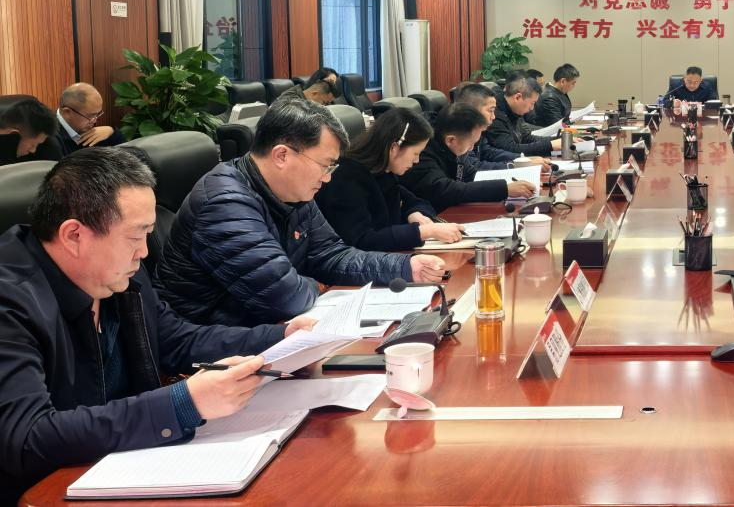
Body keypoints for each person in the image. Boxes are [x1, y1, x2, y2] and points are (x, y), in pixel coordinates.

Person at [0, 149, 320, 504]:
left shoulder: (114, 275)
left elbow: (175, 340)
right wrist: (184, 403)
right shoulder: (9, 301)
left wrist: (281, 339)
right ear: (74, 235)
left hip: (122, 464)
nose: (144, 252)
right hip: (48, 491)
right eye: (135, 237)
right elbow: (26, 438)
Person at [155, 96, 445, 327]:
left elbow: (332, 254)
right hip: (212, 350)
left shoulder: (293, 193)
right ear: (282, 155)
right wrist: (315, 284)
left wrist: (406, 267)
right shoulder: (224, 203)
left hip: (267, 330)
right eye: (325, 165)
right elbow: (284, 297)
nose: (328, 178)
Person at [315, 108, 461, 251]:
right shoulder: (345, 179)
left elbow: (415, 201)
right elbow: (360, 241)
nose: (417, 160)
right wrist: (423, 232)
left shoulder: (384, 171)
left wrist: (413, 213)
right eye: (415, 153)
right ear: (394, 148)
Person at [403, 104, 535, 210]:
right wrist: (504, 189)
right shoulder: (422, 151)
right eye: (471, 143)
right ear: (451, 140)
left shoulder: (451, 145)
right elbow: (445, 189)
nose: (472, 148)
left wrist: (509, 183)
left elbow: (470, 175)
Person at [451, 82, 546, 177]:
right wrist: (514, 165)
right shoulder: (457, 131)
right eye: (491, 111)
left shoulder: (476, 129)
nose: (493, 116)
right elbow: (474, 168)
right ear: (472, 110)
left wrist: (522, 159)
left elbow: (488, 151)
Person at [486, 73, 554, 157]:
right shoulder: (494, 115)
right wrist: (550, 145)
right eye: (532, 103)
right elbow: (510, 148)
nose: (532, 108)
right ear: (517, 97)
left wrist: (556, 140)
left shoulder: (514, 111)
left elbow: (525, 138)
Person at [51, 82, 125, 157]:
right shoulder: (49, 139)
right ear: (67, 112)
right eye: (90, 116)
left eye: (98, 114)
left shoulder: (84, 127)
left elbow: (125, 153)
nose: (95, 121)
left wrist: (111, 131)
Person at [0, 96, 62, 165]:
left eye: (37, 145)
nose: (33, 150)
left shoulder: (48, 148)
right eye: (32, 145)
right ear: (14, 135)